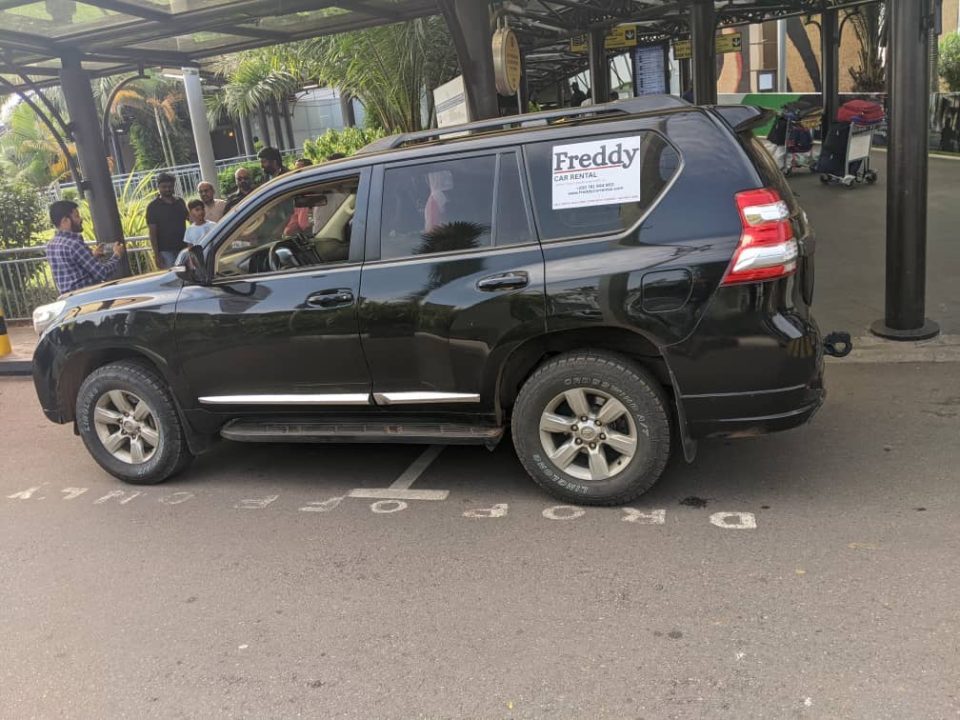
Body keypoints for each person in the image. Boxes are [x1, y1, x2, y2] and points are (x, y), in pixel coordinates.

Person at [45, 200, 125, 295]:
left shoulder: (50, 245)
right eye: (76, 216)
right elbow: (102, 273)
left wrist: (93, 256)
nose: (80, 219)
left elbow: (72, 269)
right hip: (88, 297)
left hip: (69, 300)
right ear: (65, 221)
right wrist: (117, 255)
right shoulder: (74, 244)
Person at [146, 172, 188, 269]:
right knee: (172, 278)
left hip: (183, 248)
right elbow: (152, 233)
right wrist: (157, 255)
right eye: (164, 187)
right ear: (158, 187)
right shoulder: (153, 207)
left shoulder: (180, 202)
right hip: (165, 251)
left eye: (170, 186)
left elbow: (190, 220)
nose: (167, 189)